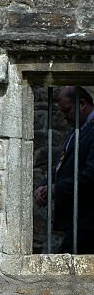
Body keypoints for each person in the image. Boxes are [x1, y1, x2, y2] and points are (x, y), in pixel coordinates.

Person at [34, 85, 94, 254]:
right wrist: (45, 184)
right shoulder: (77, 131)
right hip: (78, 222)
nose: (65, 117)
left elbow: (91, 175)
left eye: (67, 110)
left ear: (82, 104)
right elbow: (63, 167)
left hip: (87, 221)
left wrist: (56, 189)